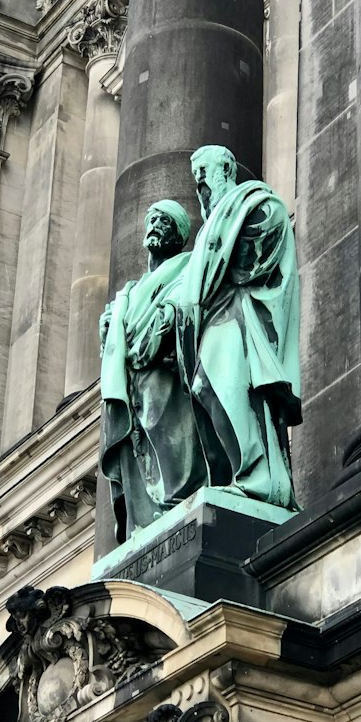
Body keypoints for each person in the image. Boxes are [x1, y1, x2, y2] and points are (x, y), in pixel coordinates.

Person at [175, 145, 301, 509]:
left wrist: (219, 258)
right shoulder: (210, 229)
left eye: (205, 169)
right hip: (216, 314)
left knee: (230, 385)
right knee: (205, 386)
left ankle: (263, 481)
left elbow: (255, 257)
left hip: (241, 312)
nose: (199, 179)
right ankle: (247, 475)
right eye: (194, 172)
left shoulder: (256, 202)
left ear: (227, 168)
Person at [100, 201, 206, 540]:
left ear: (178, 235)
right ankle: (144, 525)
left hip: (166, 378)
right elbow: (117, 339)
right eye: (152, 220)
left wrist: (167, 318)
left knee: (175, 455)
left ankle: (176, 510)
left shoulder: (188, 266)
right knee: (137, 456)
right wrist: (110, 328)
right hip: (133, 385)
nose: (156, 226)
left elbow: (190, 304)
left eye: (165, 222)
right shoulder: (129, 292)